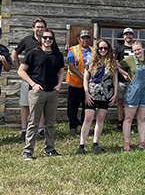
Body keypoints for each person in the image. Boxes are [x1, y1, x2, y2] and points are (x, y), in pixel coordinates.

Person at [18, 29, 65, 160]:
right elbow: (21, 71)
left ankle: (49, 149)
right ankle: (28, 151)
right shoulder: (33, 53)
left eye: (50, 38)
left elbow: (61, 71)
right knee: (33, 122)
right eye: (45, 38)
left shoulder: (58, 55)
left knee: (50, 123)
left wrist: (59, 84)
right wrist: (33, 84)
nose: (48, 40)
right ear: (41, 39)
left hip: (52, 92)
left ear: (53, 40)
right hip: (37, 92)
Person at [77, 39, 118, 154]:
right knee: (88, 118)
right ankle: (81, 145)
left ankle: (95, 143)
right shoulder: (91, 62)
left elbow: (115, 79)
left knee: (100, 118)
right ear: (97, 49)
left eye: (105, 48)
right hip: (92, 94)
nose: (103, 50)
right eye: (101, 48)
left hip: (106, 94)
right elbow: (85, 78)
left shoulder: (112, 62)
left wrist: (115, 94)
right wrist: (86, 93)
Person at [11, 17, 47, 141]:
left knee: (40, 104)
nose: (40, 29)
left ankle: (41, 129)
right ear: (33, 28)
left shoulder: (47, 40)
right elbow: (14, 53)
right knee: (25, 104)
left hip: (42, 78)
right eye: (38, 27)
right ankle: (24, 130)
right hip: (28, 78)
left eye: (42, 27)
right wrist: (18, 69)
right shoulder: (27, 40)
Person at [118, 40, 145, 150]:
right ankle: (127, 142)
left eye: (138, 49)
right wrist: (124, 73)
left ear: (143, 49)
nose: (137, 52)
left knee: (141, 118)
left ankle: (142, 141)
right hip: (133, 92)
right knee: (128, 118)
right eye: (135, 50)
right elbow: (115, 65)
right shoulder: (130, 60)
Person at [66, 29, 93, 135]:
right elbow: (71, 66)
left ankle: (84, 126)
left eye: (87, 38)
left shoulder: (93, 50)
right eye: (83, 38)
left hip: (88, 84)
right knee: (72, 107)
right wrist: (83, 77)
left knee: (86, 106)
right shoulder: (73, 50)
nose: (85, 40)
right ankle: (73, 126)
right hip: (75, 83)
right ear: (79, 39)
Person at [114, 28, 135, 132]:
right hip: (121, 79)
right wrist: (123, 73)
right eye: (126, 34)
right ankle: (120, 122)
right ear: (123, 36)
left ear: (133, 36)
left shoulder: (136, 48)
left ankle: (129, 122)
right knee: (120, 101)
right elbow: (116, 63)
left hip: (133, 80)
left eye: (130, 34)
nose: (128, 36)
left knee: (131, 102)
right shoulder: (119, 48)